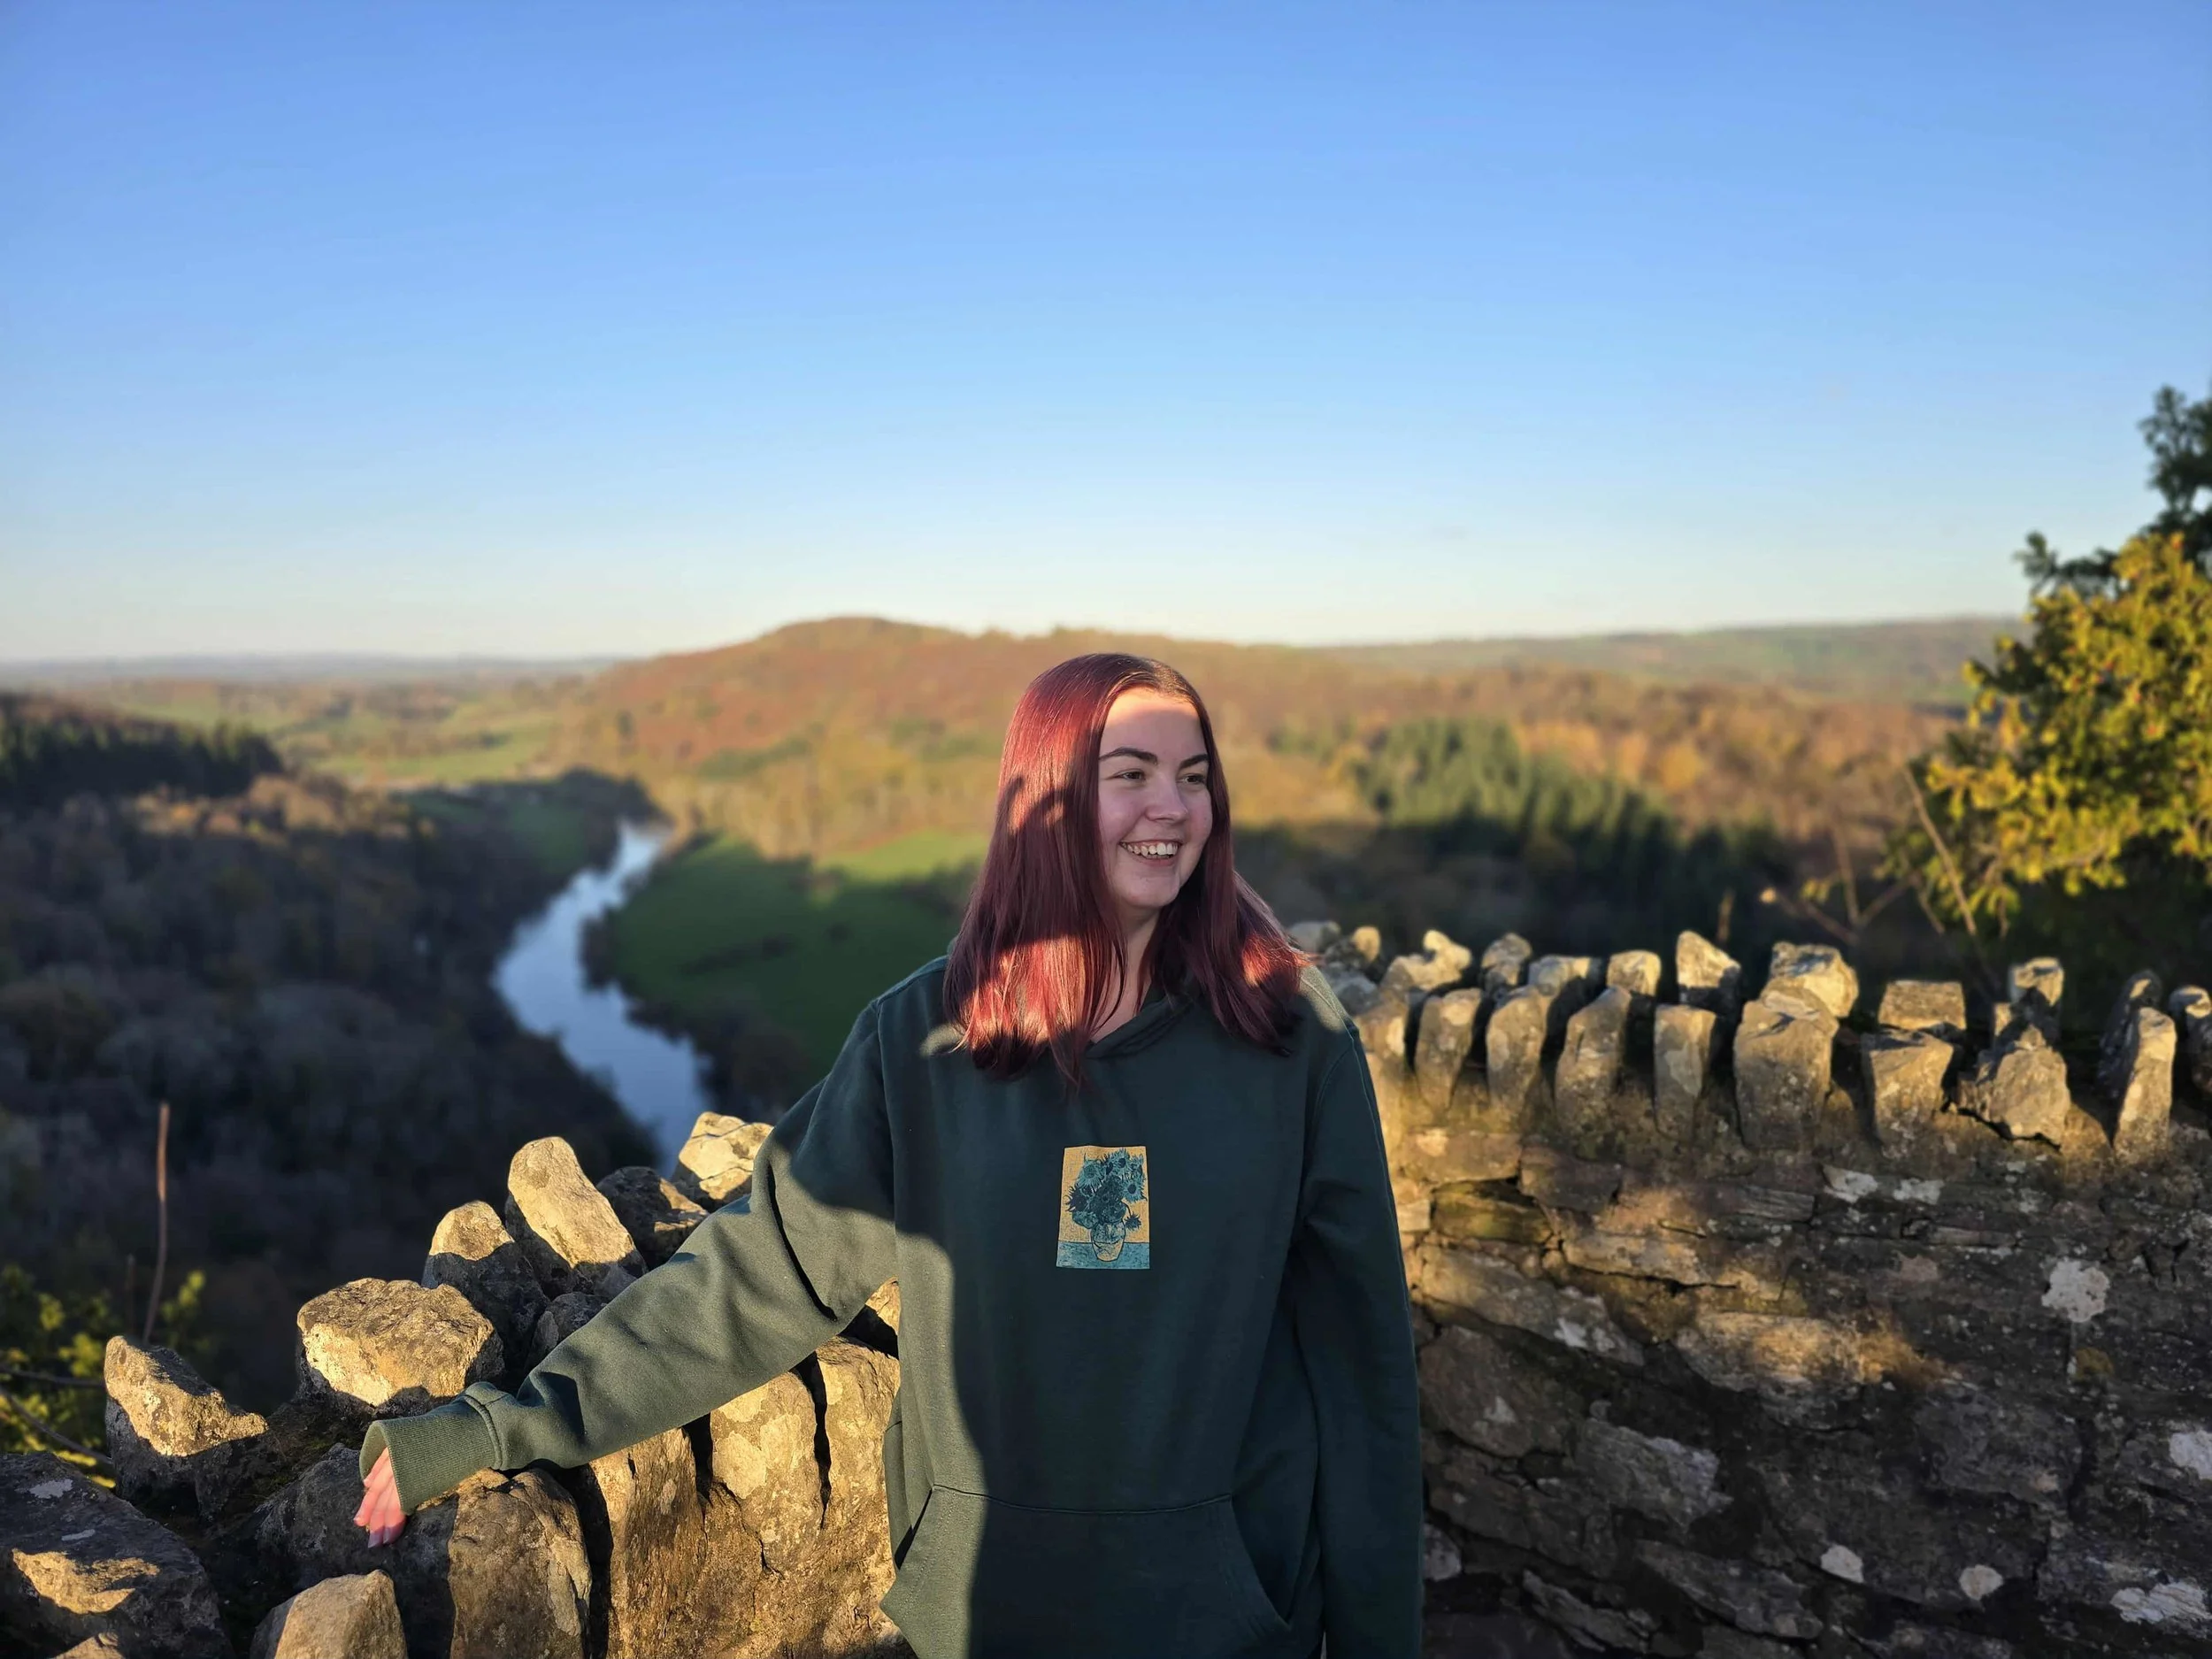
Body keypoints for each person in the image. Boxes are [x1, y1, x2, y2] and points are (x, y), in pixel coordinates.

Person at [352, 653, 1422, 1658]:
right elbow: (756, 1275)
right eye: (1128, 774)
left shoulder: (1286, 1034)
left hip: (1226, 1613)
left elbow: (1359, 1359)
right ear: (1044, 800)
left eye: (1193, 777)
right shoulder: (926, 1043)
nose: (1172, 809)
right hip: (989, 1608)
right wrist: (497, 1427)